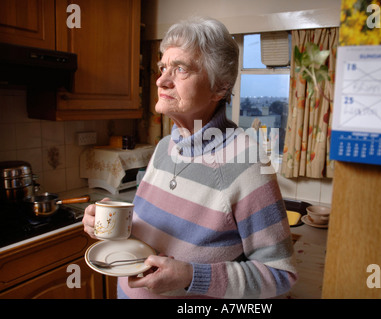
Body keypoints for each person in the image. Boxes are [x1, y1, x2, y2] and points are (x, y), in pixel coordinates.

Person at [83, 16, 297, 299]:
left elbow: (280, 274)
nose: (161, 80)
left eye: (180, 69)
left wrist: (191, 277)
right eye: (163, 67)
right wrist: (110, 226)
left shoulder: (246, 162)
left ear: (219, 88)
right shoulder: (164, 148)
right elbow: (147, 235)